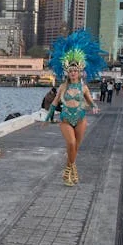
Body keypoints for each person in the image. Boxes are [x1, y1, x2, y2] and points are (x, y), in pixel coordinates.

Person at [44, 30, 103, 186]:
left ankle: (69, 170)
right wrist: (48, 116)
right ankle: (70, 170)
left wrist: (95, 107)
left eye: (75, 70)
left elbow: (90, 102)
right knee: (70, 143)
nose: (72, 73)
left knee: (76, 146)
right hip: (65, 119)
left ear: (79, 72)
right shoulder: (63, 86)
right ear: (67, 72)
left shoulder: (84, 88)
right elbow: (55, 102)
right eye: (70, 71)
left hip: (80, 119)